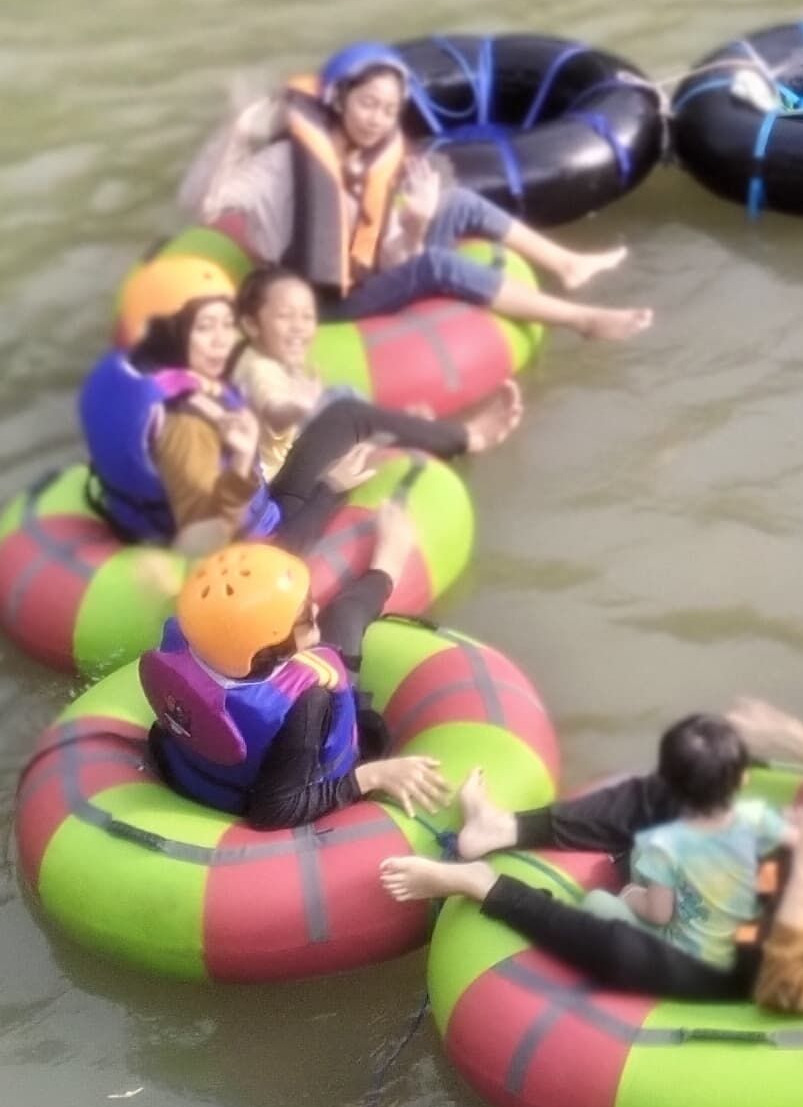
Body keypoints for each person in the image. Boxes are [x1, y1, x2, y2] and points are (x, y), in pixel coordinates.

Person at [381, 703, 803, 1017]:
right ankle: (503, 829)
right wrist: (790, 736)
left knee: (623, 952)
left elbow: (791, 992)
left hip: (770, 960)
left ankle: (485, 884)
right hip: (783, 890)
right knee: (680, 791)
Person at [180, 44, 654, 338]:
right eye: (367, 104)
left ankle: (567, 264)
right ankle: (581, 321)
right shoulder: (285, 165)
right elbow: (208, 208)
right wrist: (239, 135)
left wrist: (419, 222)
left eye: (388, 111)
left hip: (365, 276)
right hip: (319, 303)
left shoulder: (373, 164)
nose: (377, 120)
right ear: (339, 99)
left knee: (458, 202)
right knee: (437, 266)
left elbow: (392, 261)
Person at [377, 712, 792, 1004]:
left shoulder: (663, 846)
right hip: (738, 941)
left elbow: (660, 914)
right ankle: (498, 830)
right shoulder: (762, 822)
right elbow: (779, 856)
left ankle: (482, 881)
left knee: (597, 903)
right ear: (743, 779)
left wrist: (631, 895)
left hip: (685, 958)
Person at [77, 274, 419, 590]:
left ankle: (434, 430)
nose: (224, 340)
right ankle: (454, 435)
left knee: (341, 403)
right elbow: (239, 549)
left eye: (227, 324)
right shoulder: (189, 422)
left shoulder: (116, 370)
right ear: (173, 330)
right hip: (244, 547)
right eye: (205, 327)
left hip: (134, 519)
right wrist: (331, 489)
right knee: (345, 411)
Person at [143, 539, 451, 831]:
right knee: (347, 616)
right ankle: (387, 565)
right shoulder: (308, 701)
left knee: (344, 619)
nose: (315, 610)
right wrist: (371, 776)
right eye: (305, 616)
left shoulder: (190, 638)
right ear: (267, 647)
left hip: (188, 769)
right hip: (258, 794)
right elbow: (275, 810)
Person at [231, 264, 522, 481]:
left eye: (307, 317)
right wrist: (295, 408)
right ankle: (464, 436)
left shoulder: (260, 356)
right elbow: (273, 407)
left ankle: (402, 431)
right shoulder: (259, 369)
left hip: (291, 457)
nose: (299, 327)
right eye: (285, 316)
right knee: (344, 409)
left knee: (340, 395)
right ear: (251, 325)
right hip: (280, 485)